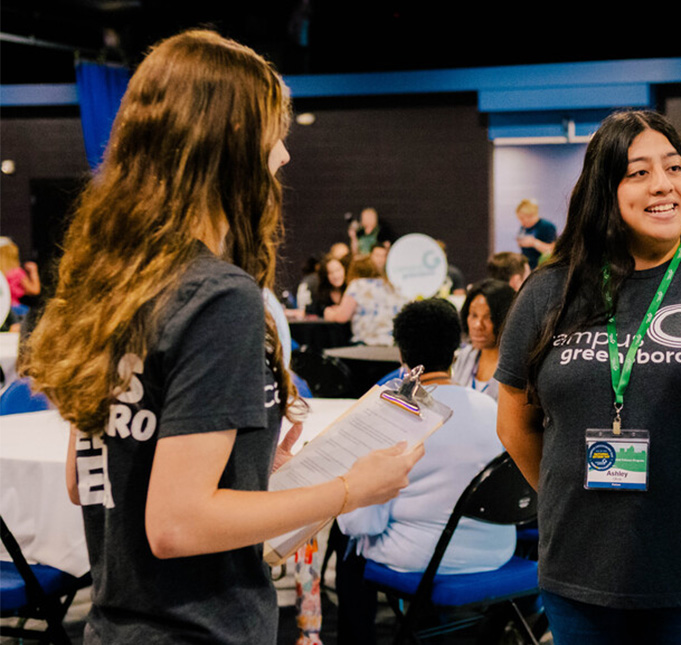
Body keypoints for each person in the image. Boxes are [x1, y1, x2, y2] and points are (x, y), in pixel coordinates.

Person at [20, 30, 422, 644]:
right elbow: (177, 524)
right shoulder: (220, 296)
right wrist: (347, 489)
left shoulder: (116, 281)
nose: (284, 155)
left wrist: (251, 475)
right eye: (274, 133)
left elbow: (90, 480)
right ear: (229, 141)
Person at [496, 110, 681, 644]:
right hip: (578, 572)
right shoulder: (549, 290)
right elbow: (514, 424)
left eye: (675, 168)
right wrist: (570, 497)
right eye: (638, 172)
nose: (663, 185)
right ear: (603, 188)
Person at [335, 297, 513, 642]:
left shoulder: (394, 417)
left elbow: (362, 523)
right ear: (455, 351)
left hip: (421, 559)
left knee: (346, 540)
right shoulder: (493, 411)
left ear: (401, 354)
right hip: (498, 550)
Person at [451, 278, 516, 401]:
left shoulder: (515, 367)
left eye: (489, 317)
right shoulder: (465, 356)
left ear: (506, 319)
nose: (478, 325)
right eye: (474, 315)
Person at [324, 255, 406, 346]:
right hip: (390, 343)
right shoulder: (389, 285)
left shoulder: (357, 285)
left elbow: (342, 317)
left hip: (366, 344)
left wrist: (329, 314)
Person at [514, 198, 557, 269]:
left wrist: (534, 243)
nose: (521, 222)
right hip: (527, 264)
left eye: (522, 218)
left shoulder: (546, 226)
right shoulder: (524, 227)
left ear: (531, 215)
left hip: (541, 266)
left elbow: (552, 249)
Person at [0, 237, 41, 309]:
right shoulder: (16, 273)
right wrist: (33, 271)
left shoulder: (2, 274)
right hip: (14, 308)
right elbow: (34, 290)